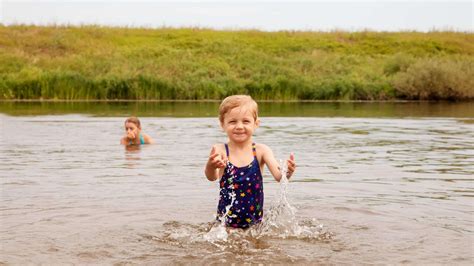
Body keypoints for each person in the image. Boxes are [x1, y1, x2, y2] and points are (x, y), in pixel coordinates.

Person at [205, 95, 296, 229]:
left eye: (246, 121)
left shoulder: (261, 151)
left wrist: (288, 171)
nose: (239, 126)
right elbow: (211, 177)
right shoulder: (220, 150)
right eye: (232, 122)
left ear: (256, 124)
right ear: (222, 124)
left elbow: (279, 177)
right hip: (225, 225)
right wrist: (211, 165)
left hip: (255, 224)